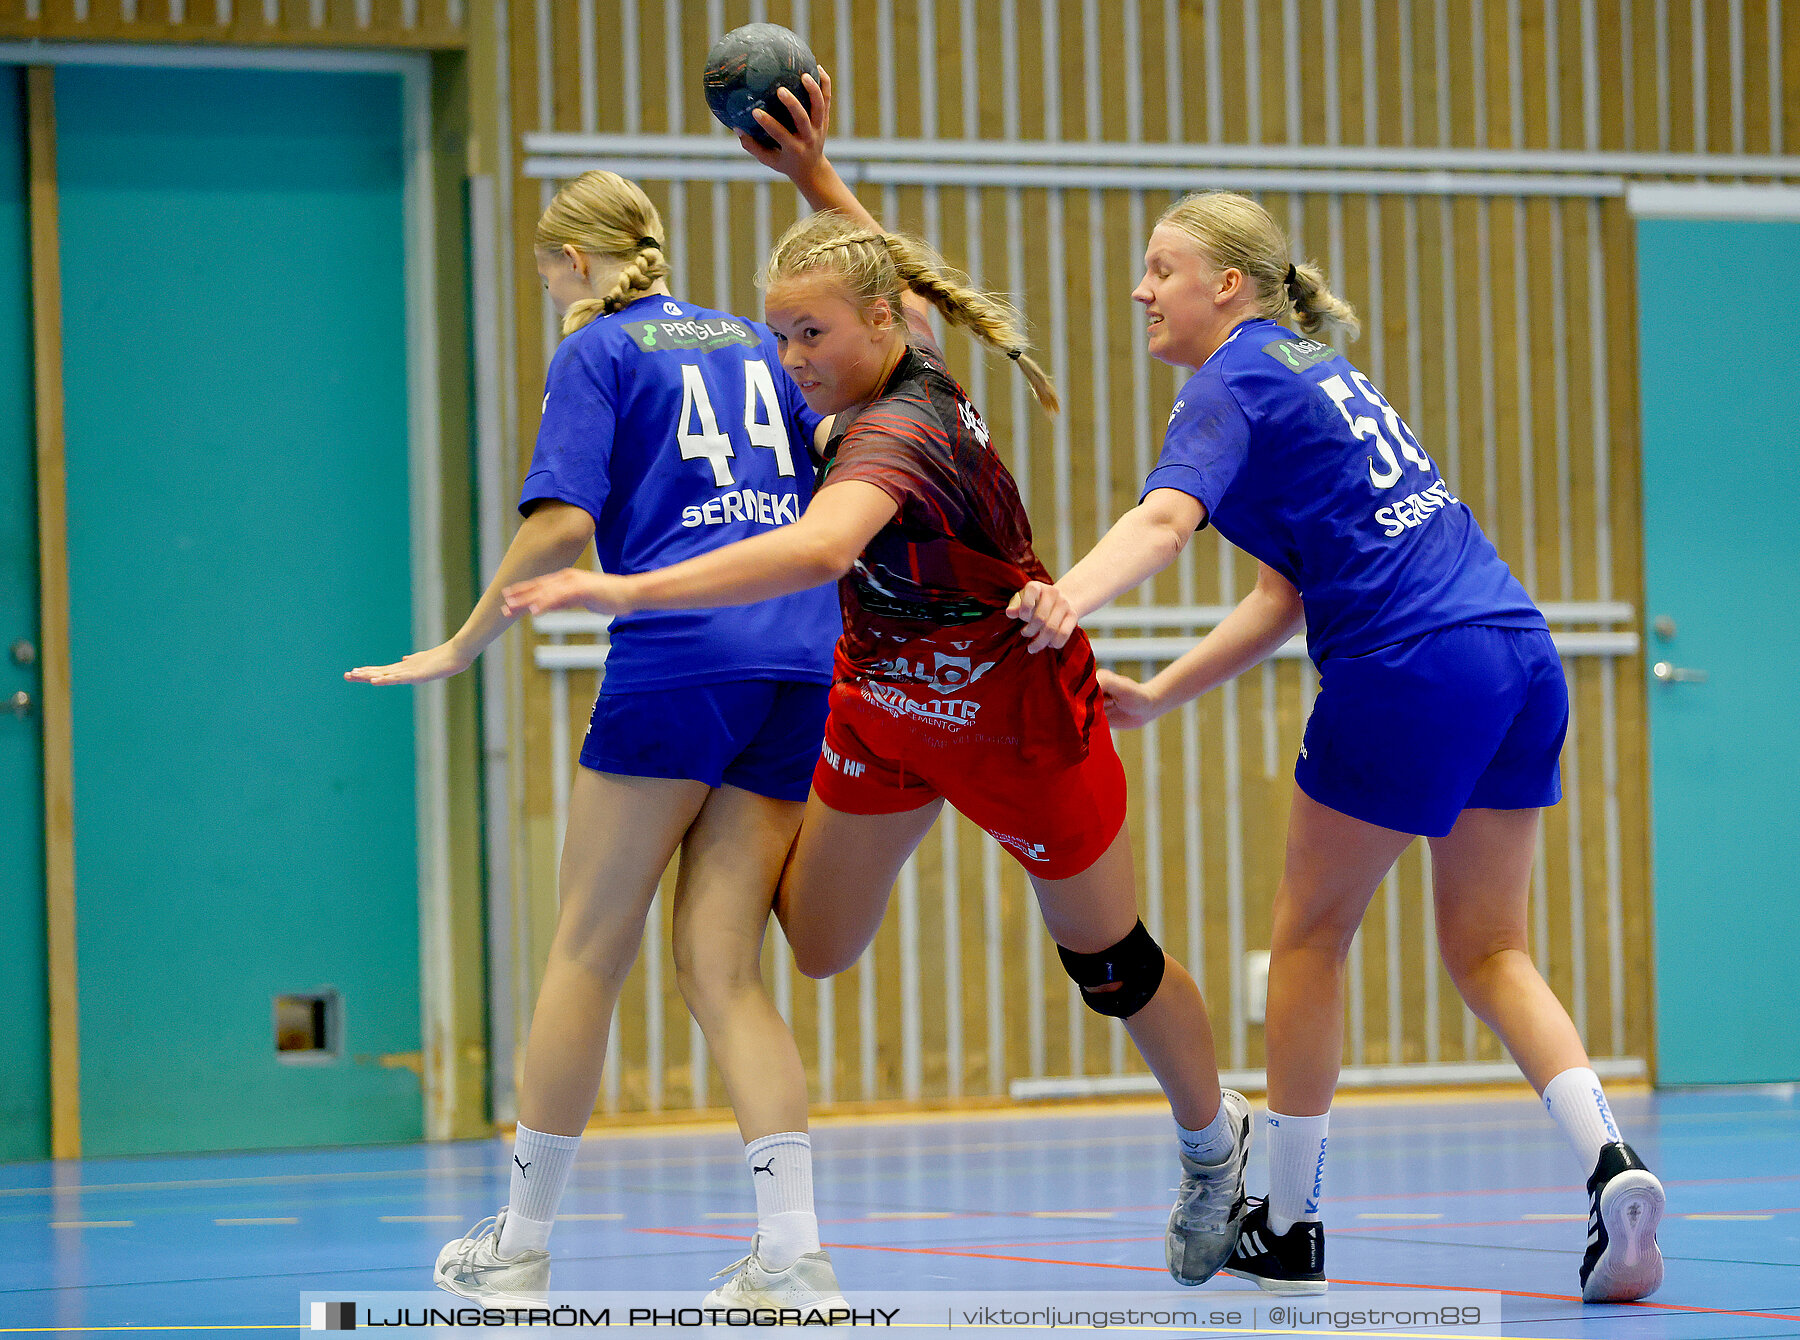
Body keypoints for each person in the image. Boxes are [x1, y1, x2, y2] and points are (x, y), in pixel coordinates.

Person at [503, 71, 1252, 1290]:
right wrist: (810, 176)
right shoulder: (879, 358)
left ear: (885, 327)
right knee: (811, 942)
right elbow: (871, 280)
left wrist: (623, 590)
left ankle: (1215, 1140)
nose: (791, 358)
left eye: (814, 334)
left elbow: (816, 548)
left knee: (1106, 960)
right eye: (782, 333)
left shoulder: (901, 428)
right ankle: (785, 1246)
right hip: (888, 707)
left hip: (1014, 713)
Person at [1006, 189, 1664, 1302]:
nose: (1140, 290)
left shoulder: (1234, 379)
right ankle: (1612, 1160)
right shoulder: (1324, 375)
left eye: (1161, 267)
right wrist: (1162, 693)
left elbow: (1165, 523)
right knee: (1492, 946)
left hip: (1407, 665)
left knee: (1310, 935)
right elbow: (1283, 597)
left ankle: (1292, 1217)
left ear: (1228, 285)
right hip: (1513, 649)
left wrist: (1063, 596)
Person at [347, 169, 848, 1310]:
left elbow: (564, 521)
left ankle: (519, 1247)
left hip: (678, 657)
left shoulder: (600, 350)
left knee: (587, 946)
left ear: (573, 262)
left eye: (541, 264)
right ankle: (794, 1252)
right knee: (723, 964)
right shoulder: (757, 343)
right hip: (799, 662)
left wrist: (463, 641)